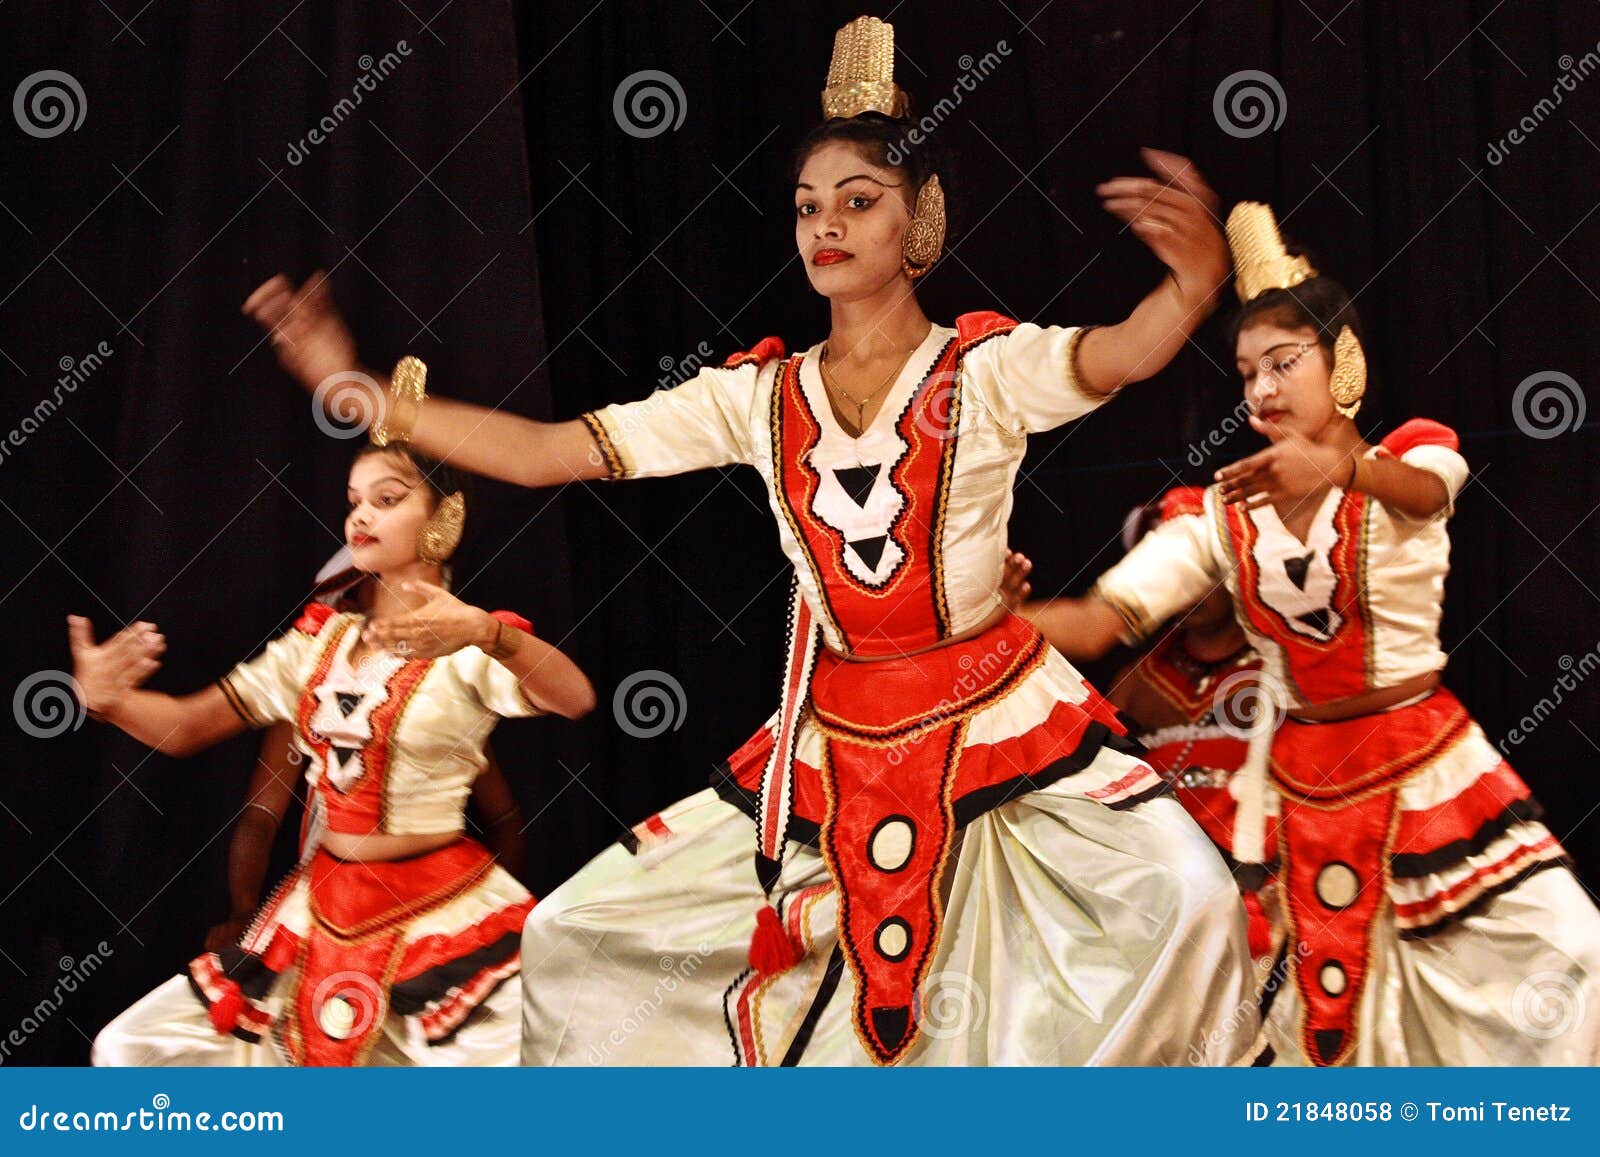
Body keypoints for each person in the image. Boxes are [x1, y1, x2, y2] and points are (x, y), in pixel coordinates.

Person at [243, 16, 1257, 1066]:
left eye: (860, 201)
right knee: (573, 935)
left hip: (997, 722)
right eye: (808, 206)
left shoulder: (983, 372)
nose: (826, 225)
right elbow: (551, 452)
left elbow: (1119, 356)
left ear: (920, 222)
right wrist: (360, 393)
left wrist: (1187, 286)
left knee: (1183, 902)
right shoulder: (756, 394)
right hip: (829, 743)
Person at [1019, 201, 1600, 1065]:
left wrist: (1339, 466)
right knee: (1321, 1023)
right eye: (1247, 372)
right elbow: (1105, 621)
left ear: (1344, 360)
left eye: (1283, 363)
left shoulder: (1409, 452)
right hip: (1298, 783)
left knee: (1568, 948)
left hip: (1423, 764)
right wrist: (985, 619)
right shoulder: (1224, 512)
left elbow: (1429, 491)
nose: (1260, 391)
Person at [79, 440, 594, 1066]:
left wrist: (488, 633)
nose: (360, 517)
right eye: (354, 502)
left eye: (387, 499)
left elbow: (575, 698)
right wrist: (108, 701)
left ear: (443, 520)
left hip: (440, 910)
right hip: (320, 908)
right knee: (132, 1049)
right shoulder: (312, 648)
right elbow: (188, 725)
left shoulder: (467, 644)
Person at [205, 550, 528, 954]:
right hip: (326, 905)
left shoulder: (437, 704)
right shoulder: (305, 698)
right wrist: (244, 910)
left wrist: (480, 914)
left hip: (424, 910)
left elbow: (506, 819)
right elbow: (261, 816)